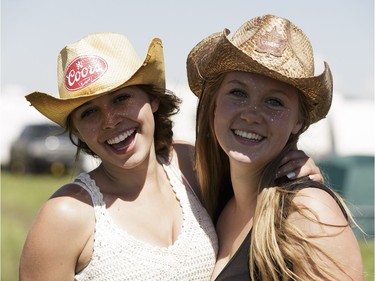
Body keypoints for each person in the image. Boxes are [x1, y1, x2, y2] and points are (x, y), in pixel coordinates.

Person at [20, 31, 322, 280]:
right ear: (78, 130)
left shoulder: (191, 167)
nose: (110, 120)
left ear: (152, 99)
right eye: (89, 112)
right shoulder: (66, 214)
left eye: (121, 98)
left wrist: (298, 174)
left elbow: (257, 199)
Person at [186, 14, 364, 281]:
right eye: (238, 93)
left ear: (298, 121)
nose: (252, 114)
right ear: (213, 103)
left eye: (274, 102)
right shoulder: (218, 204)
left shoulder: (307, 211)